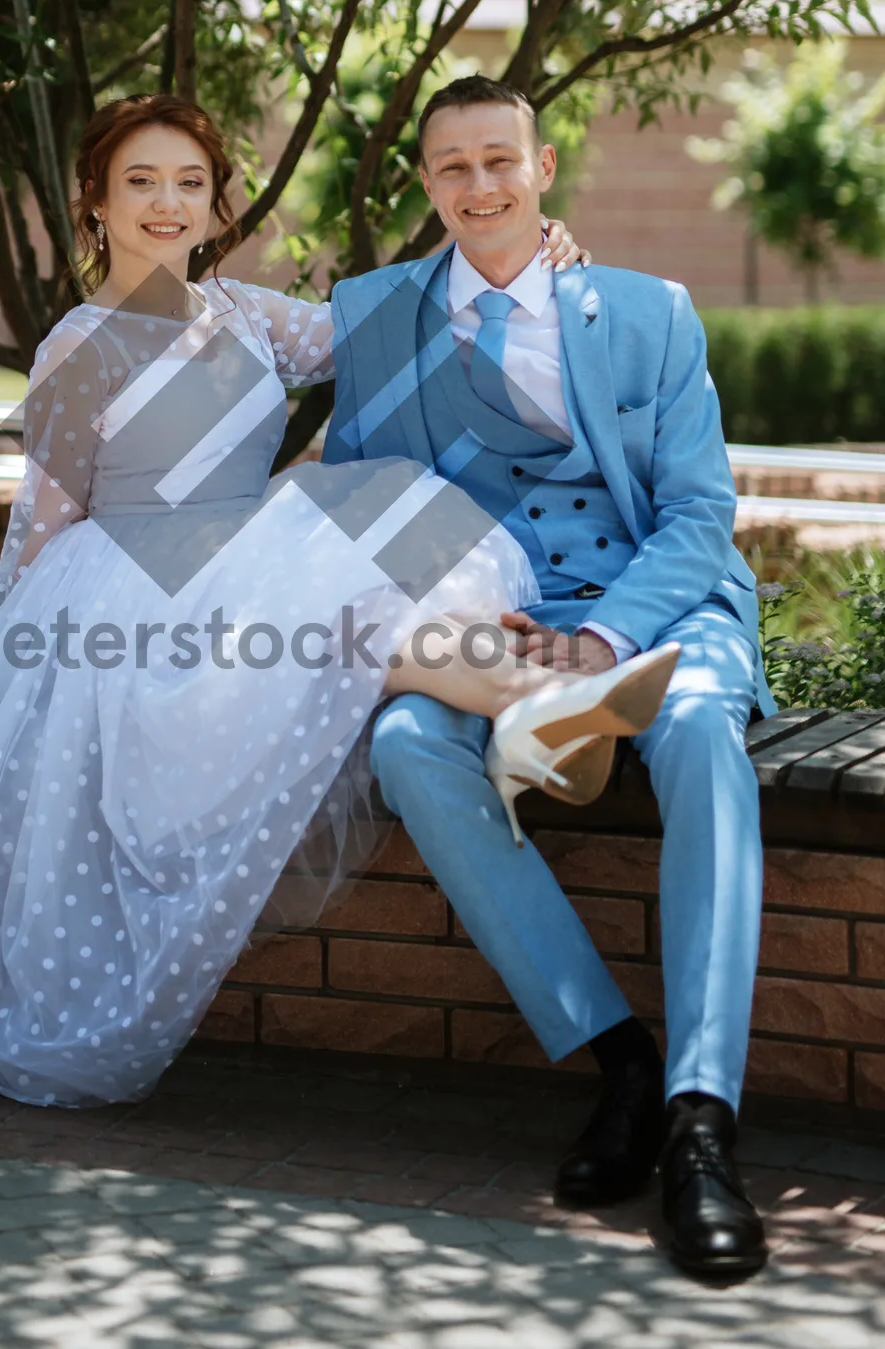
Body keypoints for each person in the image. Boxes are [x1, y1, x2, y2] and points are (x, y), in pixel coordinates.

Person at [0, 91, 677, 1121]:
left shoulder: (246, 313)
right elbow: (39, 529)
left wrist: (531, 251)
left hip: (250, 555)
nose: (169, 204)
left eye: (190, 182)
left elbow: (395, 323)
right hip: (143, 601)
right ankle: (535, 699)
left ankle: (531, 705)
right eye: (141, 183)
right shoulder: (78, 347)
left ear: (218, 201)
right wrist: (5, 663)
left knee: (382, 540)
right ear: (92, 204)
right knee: (345, 614)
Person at [324, 73, 773, 1280]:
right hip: (490, 625)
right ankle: (616, 1057)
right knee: (410, 745)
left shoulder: (647, 312)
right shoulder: (371, 318)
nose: (480, 186)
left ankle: (697, 1119)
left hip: (656, 606)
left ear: (544, 165)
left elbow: (698, 516)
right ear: (426, 183)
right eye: (453, 167)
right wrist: (463, 626)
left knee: (697, 735)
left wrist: (605, 637)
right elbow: (363, 511)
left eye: (499, 160)